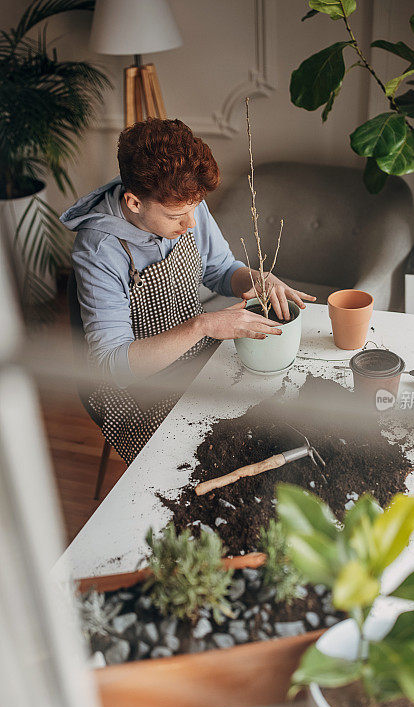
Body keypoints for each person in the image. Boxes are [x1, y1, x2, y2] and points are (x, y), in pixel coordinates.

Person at [60, 118, 314, 463]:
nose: (190, 223)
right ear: (134, 203)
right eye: (177, 216)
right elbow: (113, 365)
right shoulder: (99, 250)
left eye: (194, 209)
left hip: (196, 354)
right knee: (214, 457)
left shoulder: (184, 200)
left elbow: (220, 269)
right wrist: (205, 325)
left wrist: (255, 278)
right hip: (137, 390)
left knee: (280, 411)